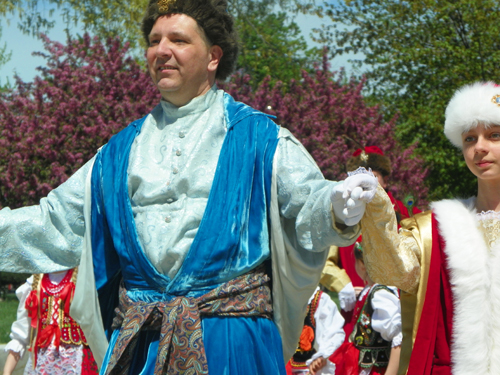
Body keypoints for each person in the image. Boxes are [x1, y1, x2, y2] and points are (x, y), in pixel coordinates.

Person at [0, 0, 371, 373]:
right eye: (154, 39)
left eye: (177, 39)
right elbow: (54, 223)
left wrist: (335, 206)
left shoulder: (262, 139)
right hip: (140, 345)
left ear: (213, 56)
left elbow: (309, 202)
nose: (161, 50)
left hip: (232, 346)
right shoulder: (116, 153)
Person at [354, 81, 500, 374]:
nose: (479, 147)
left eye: (494, 135)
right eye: (470, 139)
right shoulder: (439, 228)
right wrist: (376, 209)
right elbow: (391, 271)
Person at [320, 146, 420, 337]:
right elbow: (325, 262)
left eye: (373, 177)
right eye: (360, 177)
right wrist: (343, 285)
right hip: (357, 312)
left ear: (385, 180)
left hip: (398, 310)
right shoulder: (341, 218)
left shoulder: (406, 216)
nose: (366, 182)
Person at [3, 269, 98, 375]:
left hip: (75, 361)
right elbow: (20, 335)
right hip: (42, 363)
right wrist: (7, 372)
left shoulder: (83, 277)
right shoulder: (35, 283)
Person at [326, 243, 402, 375]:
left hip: (375, 369)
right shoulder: (370, 291)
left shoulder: (380, 294)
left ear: (361, 264)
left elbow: (398, 336)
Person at [287, 286, 345, 375]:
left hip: (308, 370)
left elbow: (334, 332)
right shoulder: (280, 296)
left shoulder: (320, 300)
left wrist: (322, 357)